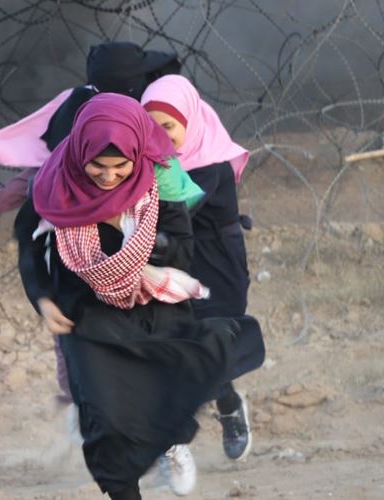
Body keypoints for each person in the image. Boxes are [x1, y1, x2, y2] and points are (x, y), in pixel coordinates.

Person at [15, 93, 237, 499]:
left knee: (160, 404)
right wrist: (42, 299)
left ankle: (171, 444)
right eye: (97, 165)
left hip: (153, 311)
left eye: (121, 166)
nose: (109, 176)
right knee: (106, 423)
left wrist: (136, 240)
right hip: (87, 316)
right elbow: (29, 244)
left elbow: (182, 248)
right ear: (80, 153)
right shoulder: (53, 184)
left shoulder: (158, 180)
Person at [141, 74, 259, 461]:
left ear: (189, 122)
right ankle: (178, 436)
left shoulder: (211, 166)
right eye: (151, 128)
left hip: (217, 267)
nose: (160, 136)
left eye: (169, 126)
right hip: (176, 260)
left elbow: (176, 212)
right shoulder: (150, 164)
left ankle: (224, 408)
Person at [0, 41, 180, 222]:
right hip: (86, 231)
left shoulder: (155, 109)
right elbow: (45, 169)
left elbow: (179, 186)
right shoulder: (79, 113)